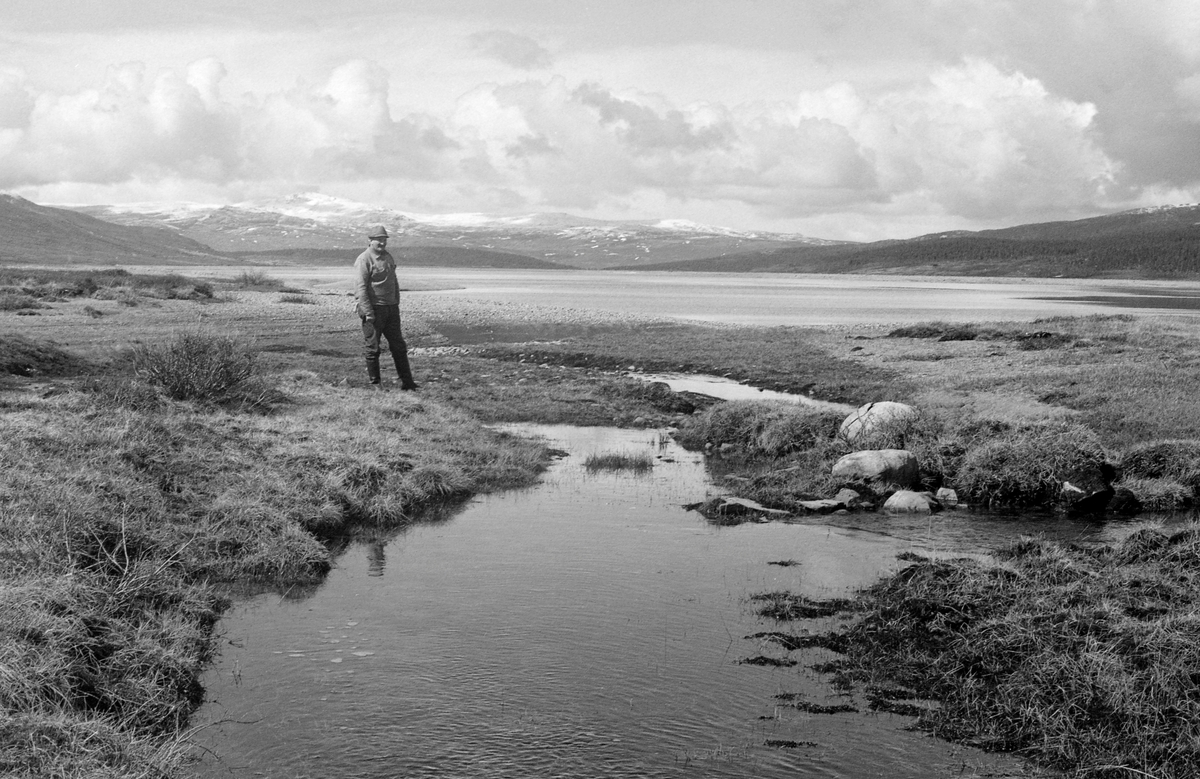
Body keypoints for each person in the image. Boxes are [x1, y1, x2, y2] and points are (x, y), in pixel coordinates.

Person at [354, 225, 417, 390]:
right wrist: (367, 312)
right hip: (374, 310)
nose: (382, 243)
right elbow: (360, 288)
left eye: (384, 240)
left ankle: (408, 383)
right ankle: (375, 385)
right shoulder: (364, 259)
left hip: (391, 309)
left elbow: (394, 281)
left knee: (399, 347)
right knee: (373, 348)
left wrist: (396, 302)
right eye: (378, 240)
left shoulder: (388, 257)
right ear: (370, 241)